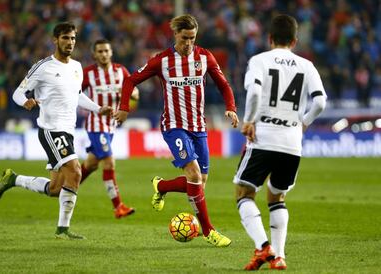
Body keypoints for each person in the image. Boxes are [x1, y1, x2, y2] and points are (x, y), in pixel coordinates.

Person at [114, 14, 239, 247]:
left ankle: (160, 186)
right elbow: (130, 81)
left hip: (199, 127)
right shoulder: (161, 60)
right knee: (193, 174)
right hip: (174, 126)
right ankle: (208, 231)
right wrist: (123, 108)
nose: (188, 43)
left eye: (192, 38)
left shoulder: (205, 57)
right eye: (184, 38)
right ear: (175, 35)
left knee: (199, 183)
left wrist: (231, 108)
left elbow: (224, 84)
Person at [0, 22, 112, 239]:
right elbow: (17, 93)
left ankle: (14, 179)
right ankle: (63, 230)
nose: (70, 42)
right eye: (66, 38)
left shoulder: (77, 67)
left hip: (67, 131)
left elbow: (77, 95)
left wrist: (98, 109)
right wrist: (26, 101)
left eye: (73, 38)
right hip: (50, 130)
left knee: (56, 188)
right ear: (55, 40)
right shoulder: (43, 67)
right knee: (76, 172)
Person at [233, 14, 327, 270]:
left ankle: (264, 248)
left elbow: (253, 92)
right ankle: (279, 256)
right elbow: (320, 102)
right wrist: (303, 123)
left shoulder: (260, 61)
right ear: (295, 41)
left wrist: (250, 120)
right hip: (292, 143)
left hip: (263, 137)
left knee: (244, 193)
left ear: (270, 38)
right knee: (277, 197)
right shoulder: (307, 66)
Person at [80, 39, 138, 218]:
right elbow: (75, 93)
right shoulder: (88, 73)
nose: (103, 54)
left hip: (111, 126)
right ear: (94, 54)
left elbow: (135, 93)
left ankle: (65, 188)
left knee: (91, 164)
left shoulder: (121, 71)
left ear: (111, 52)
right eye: (100, 51)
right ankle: (118, 206)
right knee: (109, 162)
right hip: (96, 125)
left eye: (106, 51)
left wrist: (128, 95)